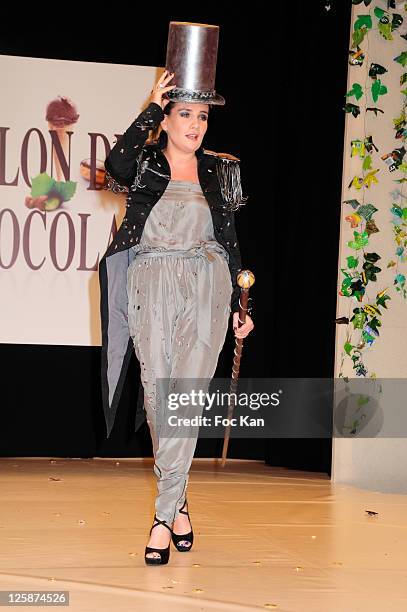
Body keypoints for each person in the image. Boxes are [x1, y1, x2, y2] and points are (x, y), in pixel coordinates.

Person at [99, 23, 254, 566]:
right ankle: (180, 503)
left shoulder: (222, 169)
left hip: (208, 287)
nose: (194, 125)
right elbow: (112, 165)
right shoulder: (144, 164)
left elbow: (231, 242)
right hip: (153, 284)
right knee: (160, 399)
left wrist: (241, 307)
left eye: (202, 115)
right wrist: (148, 106)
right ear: (166, 118)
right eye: (184, 113)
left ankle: (162, 519)